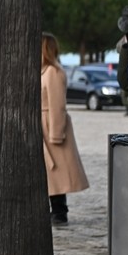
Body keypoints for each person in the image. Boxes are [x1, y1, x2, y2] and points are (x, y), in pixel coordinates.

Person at [40, 33, 88, 224]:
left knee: (55, 171)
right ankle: (56, 210)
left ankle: (59, 211)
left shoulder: (53, 72)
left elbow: (57, 104)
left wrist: (56, 133)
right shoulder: (43, 71)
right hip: (42, 123)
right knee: (48, 171)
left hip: (50, 124)